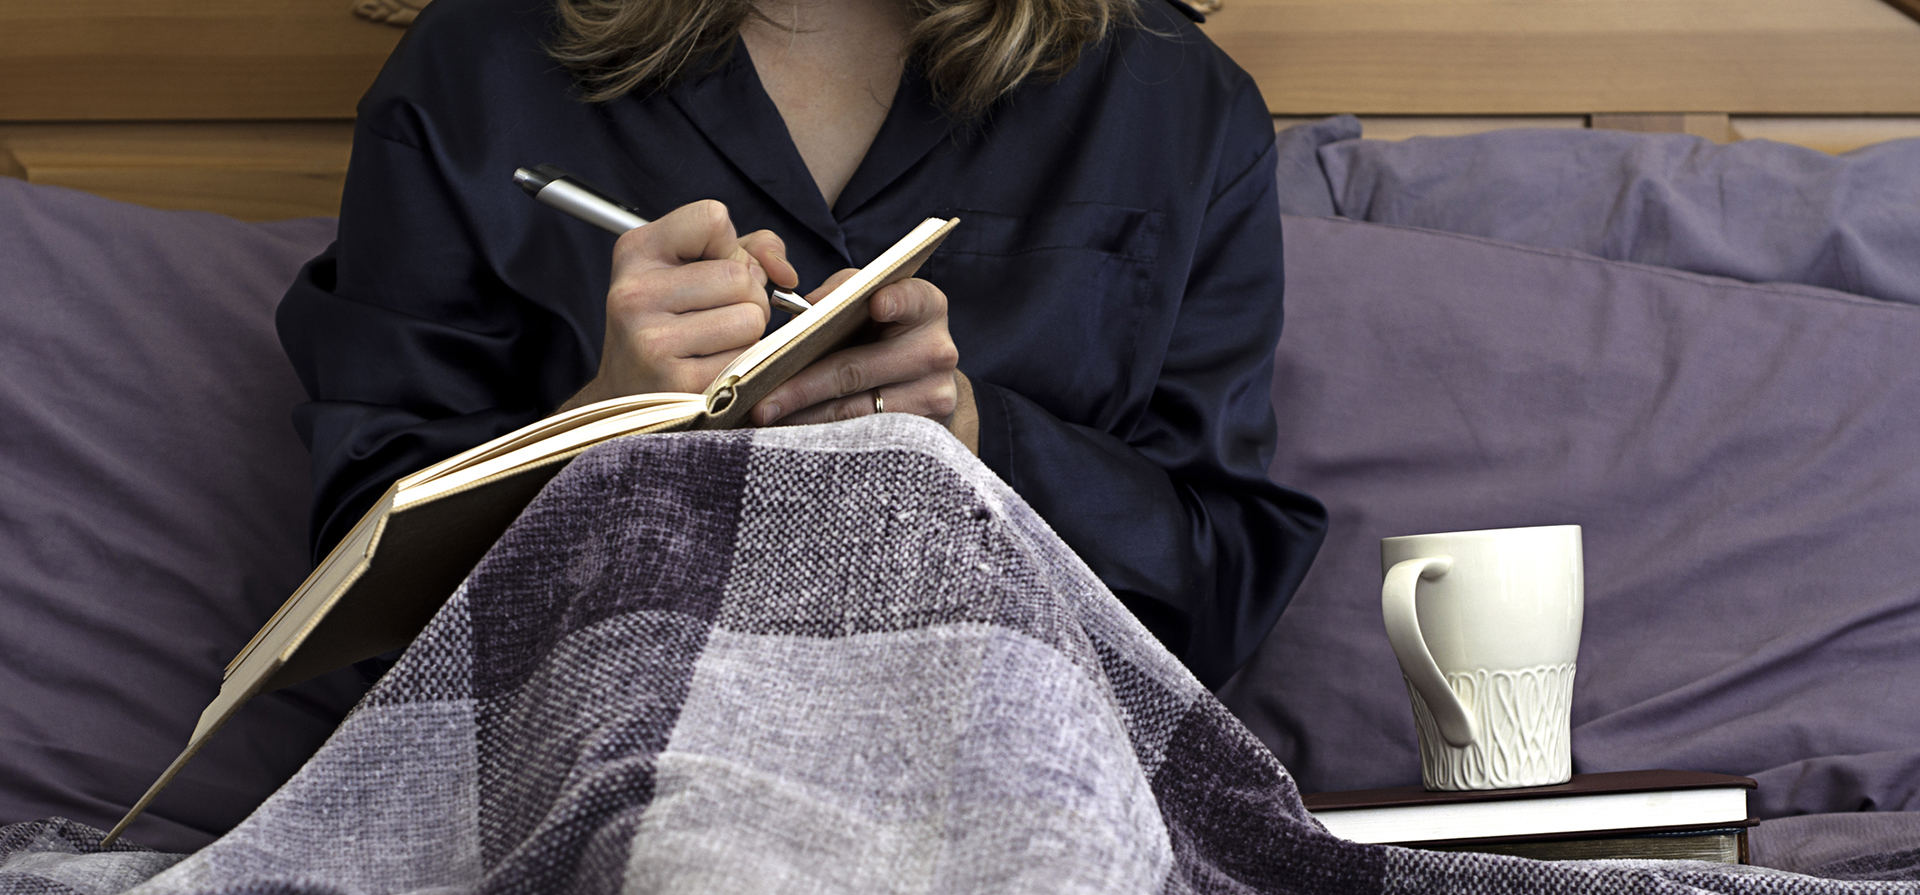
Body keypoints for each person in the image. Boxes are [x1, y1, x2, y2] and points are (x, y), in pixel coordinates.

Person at [277, 0, 1326, 688]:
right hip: (613, 748)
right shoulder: (477, 69)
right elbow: (353, 608)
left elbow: (1220, 594)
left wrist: (978, 434)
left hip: (1025, 754)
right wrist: (596, 430)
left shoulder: (1173, 101)